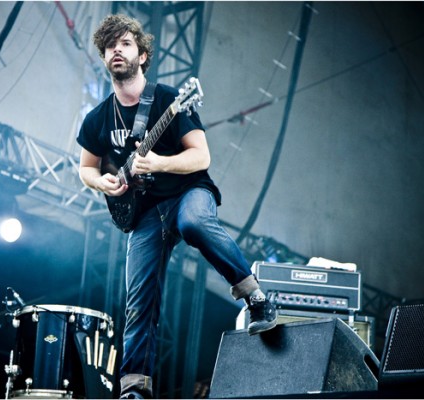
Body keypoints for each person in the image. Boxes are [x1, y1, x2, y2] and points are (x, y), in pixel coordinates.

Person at [76, 14, 277, 399]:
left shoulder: (169, 99)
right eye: (109, 46)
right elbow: (85, 167)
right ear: (104, 58)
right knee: (139, 299)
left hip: (187, 191)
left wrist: (161, 163)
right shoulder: (98, 118)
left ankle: (255, 295)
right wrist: (101, 180)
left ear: (143, 54)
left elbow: (201, 157)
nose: (116, 50)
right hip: (143, 211)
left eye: (125, 43)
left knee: (195, 223)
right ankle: (134, 388)